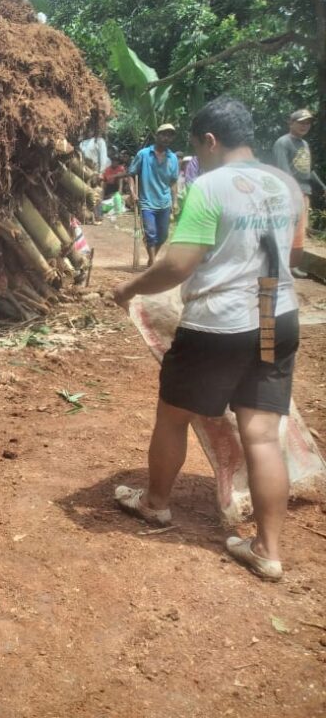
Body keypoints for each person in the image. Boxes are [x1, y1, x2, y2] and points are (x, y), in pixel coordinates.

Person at [112, 97, 303, 581]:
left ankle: (156, 503)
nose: (198, 156)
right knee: (262, 434)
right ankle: (268, 550)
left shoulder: (209, 186)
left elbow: (178, 265)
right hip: (275, 315)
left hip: (220, 325)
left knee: (173, 416)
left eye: (198, 147)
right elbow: (294, 255)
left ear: (210, 141)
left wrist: (130, 289)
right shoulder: (284, 184)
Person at [129, 124, 180, 266]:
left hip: (164, 201)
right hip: (147, 201)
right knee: (150, 233)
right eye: (163, 134)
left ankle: (152, 257)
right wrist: (133, 193)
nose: (166, 138)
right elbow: (131, 174)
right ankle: (152, 261)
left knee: (163, 235)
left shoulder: (173, 158)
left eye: (169, 136)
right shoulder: (144, 154)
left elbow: (173, 182)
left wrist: (175, 201)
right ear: (157, 136)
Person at [272, 108, 314, 278]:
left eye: (308, 123)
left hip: (303, 191)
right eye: (301, 122)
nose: (305, 126)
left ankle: (292, 265)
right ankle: (279, 266)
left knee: (298, 232)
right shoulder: (283, 142)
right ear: (291, 123)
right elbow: (283, 171)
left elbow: (308, 171)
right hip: (289, 193)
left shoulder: (304, 144)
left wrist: (321, 187)